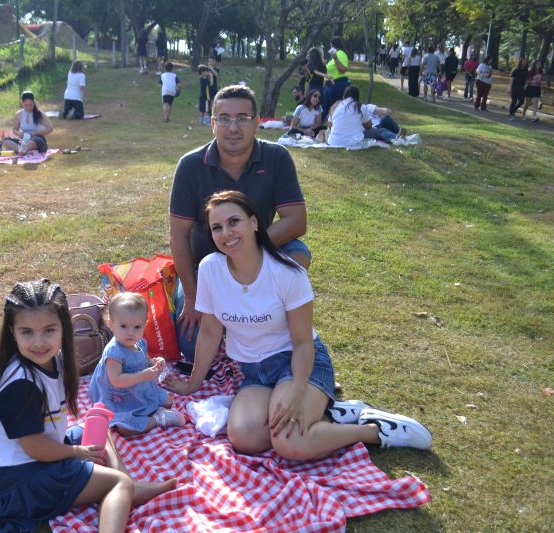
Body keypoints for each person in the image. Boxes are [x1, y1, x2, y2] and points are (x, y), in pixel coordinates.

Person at [164, 191, 433, 460]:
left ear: (254, 223)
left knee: (289, 442)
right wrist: (192, 384)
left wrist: (296, 390)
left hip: (295, 362)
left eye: (234, 221)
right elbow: (210, 331)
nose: (226, 233)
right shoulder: (211, 268)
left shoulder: (287, 272)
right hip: (253, 372)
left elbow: (303, 342)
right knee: (245, 438)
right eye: (217, 227)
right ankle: (329, 415)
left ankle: (374, 430)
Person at [0, 280, 177, 533]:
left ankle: (129, 488)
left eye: (49, 330)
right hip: (21, 482)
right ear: (12, 332)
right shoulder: (20, 385)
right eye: (27, 332)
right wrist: (76, 453)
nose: (39, 342)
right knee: (118, 484)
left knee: (98, 425)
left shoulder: (55, 358)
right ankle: (124, 486)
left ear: (64, 326)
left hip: (40, 456)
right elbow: (36, 449)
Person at [169, 84, 310, 361]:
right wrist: (194, 297)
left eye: (242, 118)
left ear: (257, 123)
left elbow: (296, 221)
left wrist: (244, 248)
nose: (233, 127)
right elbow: (178, 237)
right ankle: (238, 315)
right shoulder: (190, 165)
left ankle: (261, 316)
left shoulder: (276, 157)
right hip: (206, 267)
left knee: (298, 254)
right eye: (224, 119)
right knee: (191, 347)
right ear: (213, 123)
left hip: (258, 259)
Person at [88, 293, 186, 436]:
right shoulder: (114, 352)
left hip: (141, 390)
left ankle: (155, 410)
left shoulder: (139, 343)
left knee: (168, 401)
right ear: (111, 324)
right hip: (121, 399)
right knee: (125, 428)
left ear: (144, 325)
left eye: (137, 327)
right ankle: (159, 419)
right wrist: (144, 376)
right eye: (123, 326)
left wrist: (156, 363)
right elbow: (116, 380)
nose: (131, 332)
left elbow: (147, 362)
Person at [321, 36, 350, 120]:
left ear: (333, 44)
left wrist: (336, 58)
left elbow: (342, 70)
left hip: (337, 85)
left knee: (335, 110)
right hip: (329, 85)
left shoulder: (341, 54)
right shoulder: (334, 55)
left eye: (331, 44)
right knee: (324, 109)